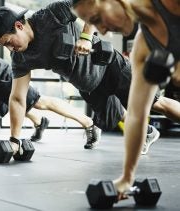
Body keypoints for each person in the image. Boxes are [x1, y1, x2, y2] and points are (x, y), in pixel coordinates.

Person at [0, 0, 180, 156]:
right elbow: (18, 98)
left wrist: (86, 37)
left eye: (9, 42)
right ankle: (147, 133)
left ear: (19, 26)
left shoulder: (52, 14)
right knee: (115, 117)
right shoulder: (20, 58)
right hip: (88, 85)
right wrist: (14, 139)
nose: (10, 49)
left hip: (110, 67)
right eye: (5, 46)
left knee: (155, 103)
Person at [72, 0, 180, 199]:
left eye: (97, 19)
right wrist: (127, 177)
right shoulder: (143, 45)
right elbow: (137, 115)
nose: (103, 32)